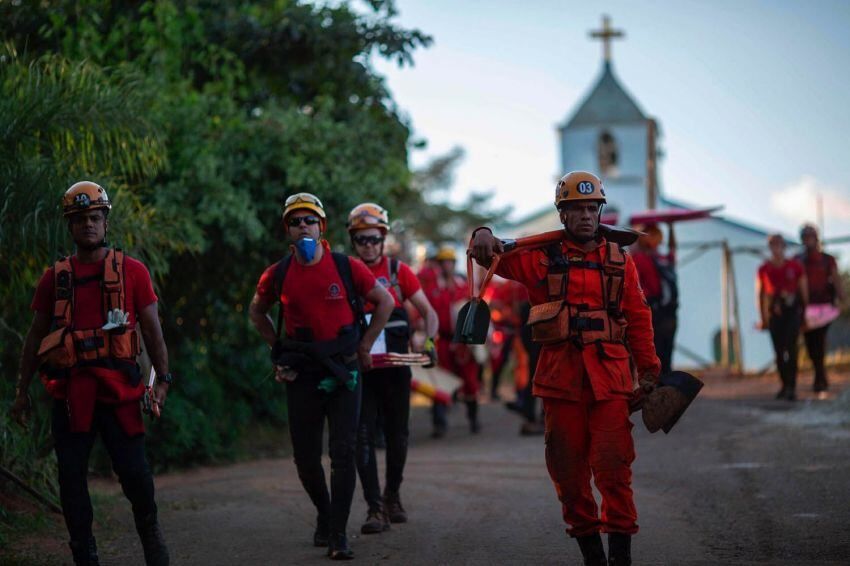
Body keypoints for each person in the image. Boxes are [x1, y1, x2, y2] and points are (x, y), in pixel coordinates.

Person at [469, 171, 660, 566]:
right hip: (561, 383)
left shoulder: (621, 262)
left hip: (610, 382)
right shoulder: (538, 258)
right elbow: (486, 254)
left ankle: (620, 559)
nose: (586, 216)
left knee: (613, 470)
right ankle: (593, 557)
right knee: (569, 477)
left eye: (592, 208)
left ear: (600, 212)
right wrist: (482, 232)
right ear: (563, 215)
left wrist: (650, 371)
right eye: (577, 209)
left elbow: (639, 319)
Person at [10, 181, 171, 566]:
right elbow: (34, 338)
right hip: (71, 393)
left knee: (135, 475)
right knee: (71, 478)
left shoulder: (132, 271)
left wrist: (162, 381)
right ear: (70, 226)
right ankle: (84, 552)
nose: (88, 225)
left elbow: (152, 331)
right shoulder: (55, 278)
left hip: (120, 389)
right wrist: (22, 391)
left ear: (105, 221)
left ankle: (151, 536)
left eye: (95, 217)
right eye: (80, 219)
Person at [249, 193, 394, 560]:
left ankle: (338, 534)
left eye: (309, 221)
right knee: (305, 458)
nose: (303, 227)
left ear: (322, 227)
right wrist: (276, 349)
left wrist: (364, 346)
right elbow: (257, 312)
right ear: (288, 230)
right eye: (295, 222)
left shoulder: (347, 267)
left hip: (344, 371)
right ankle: (326, 515)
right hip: (302, 374)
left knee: (343, 454)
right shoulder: (277, 274)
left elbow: (386, 303)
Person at [345, 203, 439, 534]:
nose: (368, 245)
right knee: (362, 436)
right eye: (361, 240)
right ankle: (374, 509)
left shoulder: (399, 272)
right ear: (353, 241)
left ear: (383, 238)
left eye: (373, 239)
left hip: (397, 370)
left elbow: (429, 313)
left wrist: (428, 342)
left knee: (398, 436)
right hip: (362, 370)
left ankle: (392, 497)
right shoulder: (346, 272)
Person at [420, 245, 482, 437]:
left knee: (470, 382)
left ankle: (473, 419)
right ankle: (439, 423)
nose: (447, 265)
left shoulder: (464, 286)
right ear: (439, 265)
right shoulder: (431, 289)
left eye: (450, 262)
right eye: (443, 262)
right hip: (443, 341)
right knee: (440, 381)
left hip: (464, 342)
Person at [756, 233, 808, 401]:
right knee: (779, 352)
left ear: (784, 247)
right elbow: (760, 294)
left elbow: (803, 290)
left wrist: (805, 313)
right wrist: (763, 317)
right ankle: (784, 384)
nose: (776, 248)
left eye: (779, 245)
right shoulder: (764, 269)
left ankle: (792, 386)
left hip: (792, 312)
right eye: (773, 245)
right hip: (774, 314)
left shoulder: (795, 266)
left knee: (791, 349)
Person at [797, 224, 845, 392]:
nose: (808, 240)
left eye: (811, 236)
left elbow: (836, 279)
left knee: (819, 340)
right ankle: (819, 373)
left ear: (816, 238)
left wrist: (842, 298)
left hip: (824, 307)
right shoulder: (798, 260)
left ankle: (820, 376)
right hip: (806, 308)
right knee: (810, 343)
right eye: (805, 237)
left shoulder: (827, 260)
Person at [631, 222, 679, 375]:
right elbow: (672, 252)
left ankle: (658, 389)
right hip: (669, 311)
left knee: (654, 354)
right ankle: (665, 387)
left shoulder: (638, 258)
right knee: (665, 355)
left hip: (653, 311)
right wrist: (671, 227)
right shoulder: (660, 258)